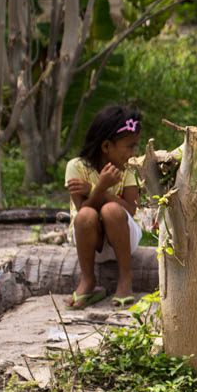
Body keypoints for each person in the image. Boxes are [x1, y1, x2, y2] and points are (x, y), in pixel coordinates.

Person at [65, 104, 145, 310]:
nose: (133, 152)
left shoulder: (128, 168)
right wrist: (100, 186)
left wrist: (96, 189)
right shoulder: (76, 167)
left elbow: (130, 209)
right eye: (129, 146)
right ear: (106, 146)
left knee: (112, 210)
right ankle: (88, 279)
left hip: (126, 238)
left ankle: (125, 278)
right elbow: (83, 211)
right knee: (85, 215)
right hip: (90, 242)